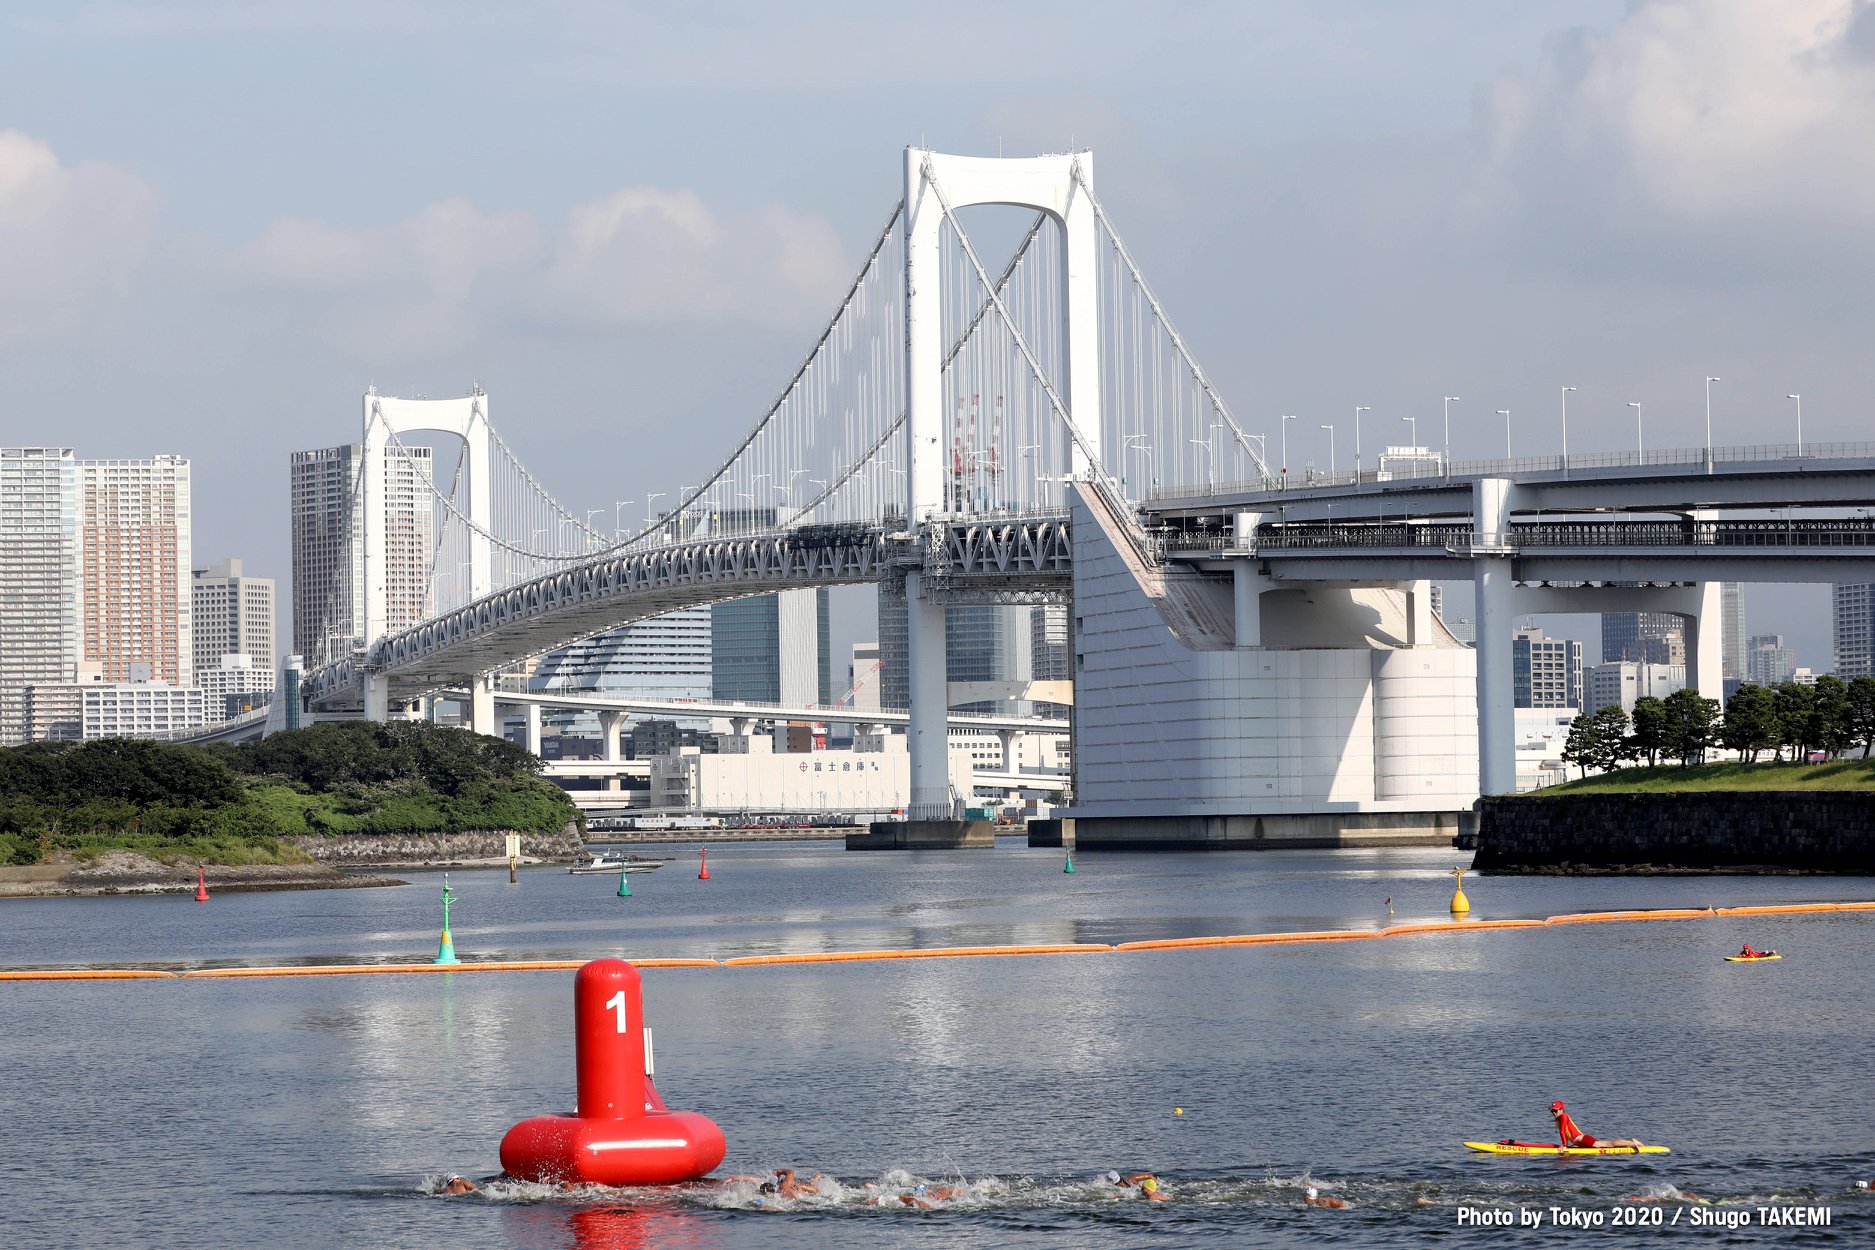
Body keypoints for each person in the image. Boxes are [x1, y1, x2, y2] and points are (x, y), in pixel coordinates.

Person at [1551, 1101, 1644, 1150]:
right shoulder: (1559, 1118)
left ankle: (1631, 1143)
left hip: (1584, 1140)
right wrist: (1566, 1145)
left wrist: (1564, 1145)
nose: (1554, 1112)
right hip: (1581, 1143)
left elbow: (1562, 1131)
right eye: (1552, 1111)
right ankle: (1629, 1143)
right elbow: (1565, 1133)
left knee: (1608, 1145)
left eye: (1555, 1110)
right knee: (1607, 1144)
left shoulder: (1563, 1116)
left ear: (1562, 1109)